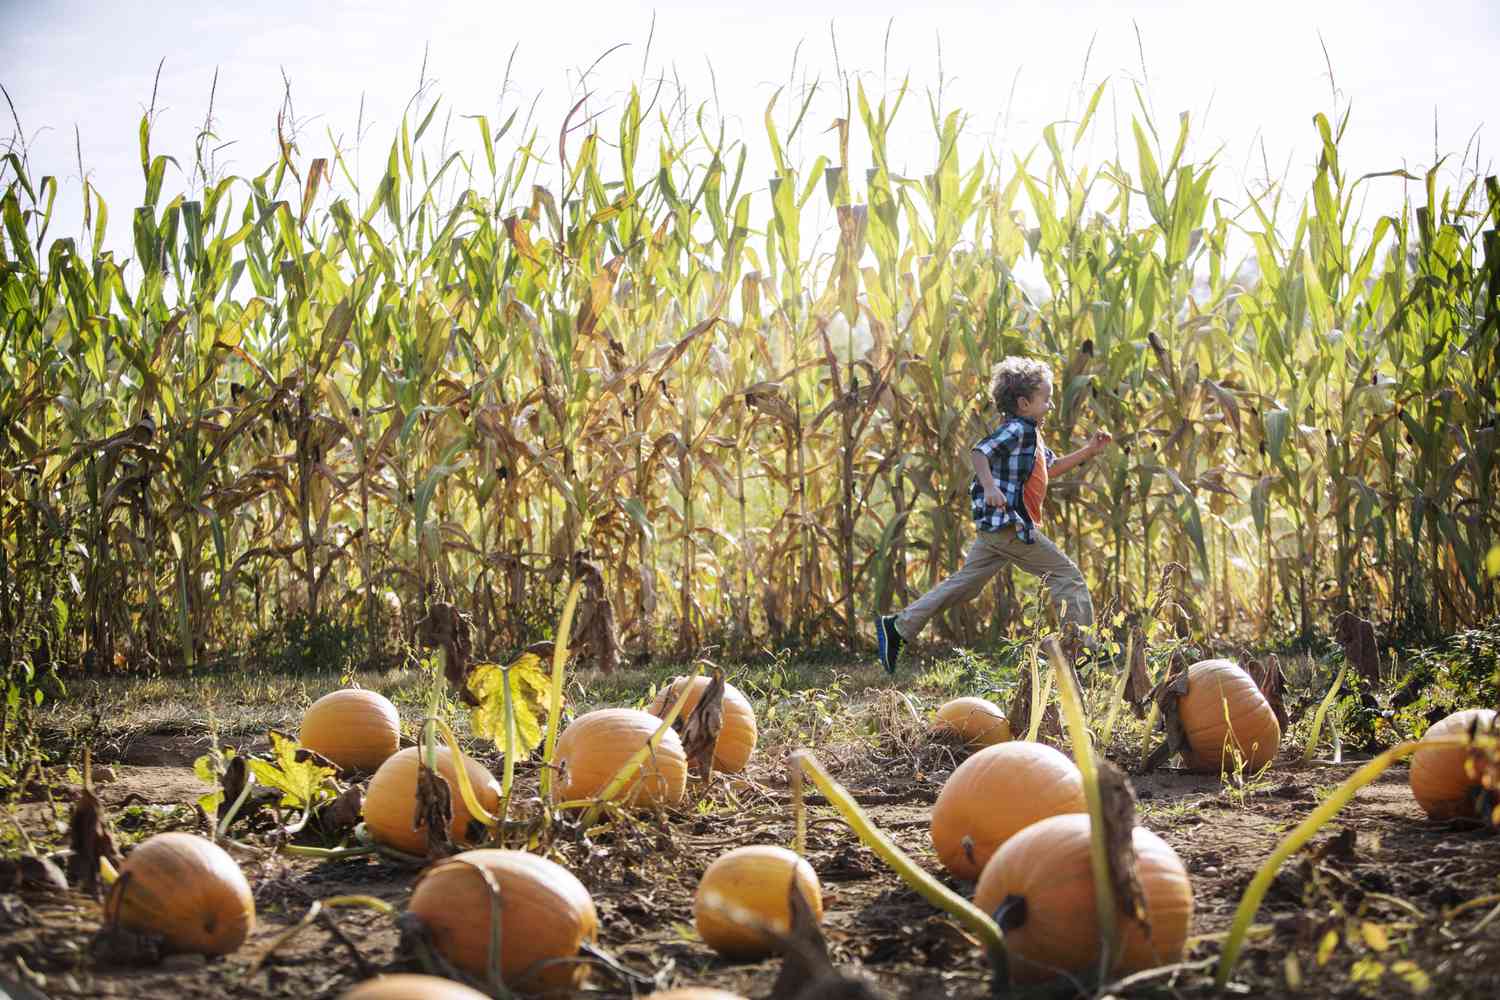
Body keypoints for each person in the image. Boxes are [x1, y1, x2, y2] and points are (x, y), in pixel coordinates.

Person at [876, 356, 1112, 674]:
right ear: (1024, 403)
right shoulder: (1018, 430)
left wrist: (1089, 451)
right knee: (1068, 578)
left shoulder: (1030, 433)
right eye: (1047, 399)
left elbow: (1051, 468)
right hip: (1009, 526)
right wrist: (989, 487)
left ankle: (898, 628)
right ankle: (1082, 652)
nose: (1051, 406)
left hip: (996, 529)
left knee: (966, 585)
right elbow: (979, 452)